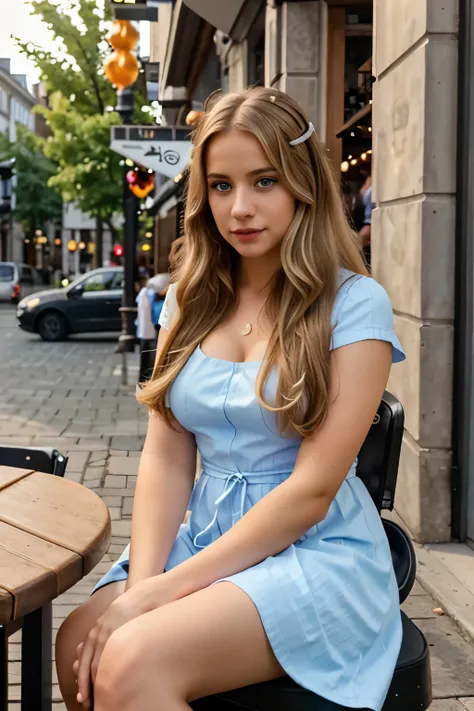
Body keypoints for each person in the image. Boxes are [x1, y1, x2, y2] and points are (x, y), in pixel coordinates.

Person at [56, 87, 406, 711]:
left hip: (315, 549)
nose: (240, 208)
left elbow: (312, 493)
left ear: (302, 184)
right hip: (206, 535)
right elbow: (166, 457)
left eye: (263, 181)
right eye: (220, 185)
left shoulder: (354, 306)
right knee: (77, 641)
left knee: (131, 663)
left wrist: (149, 604)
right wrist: (142, 586)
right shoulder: (191, 301)